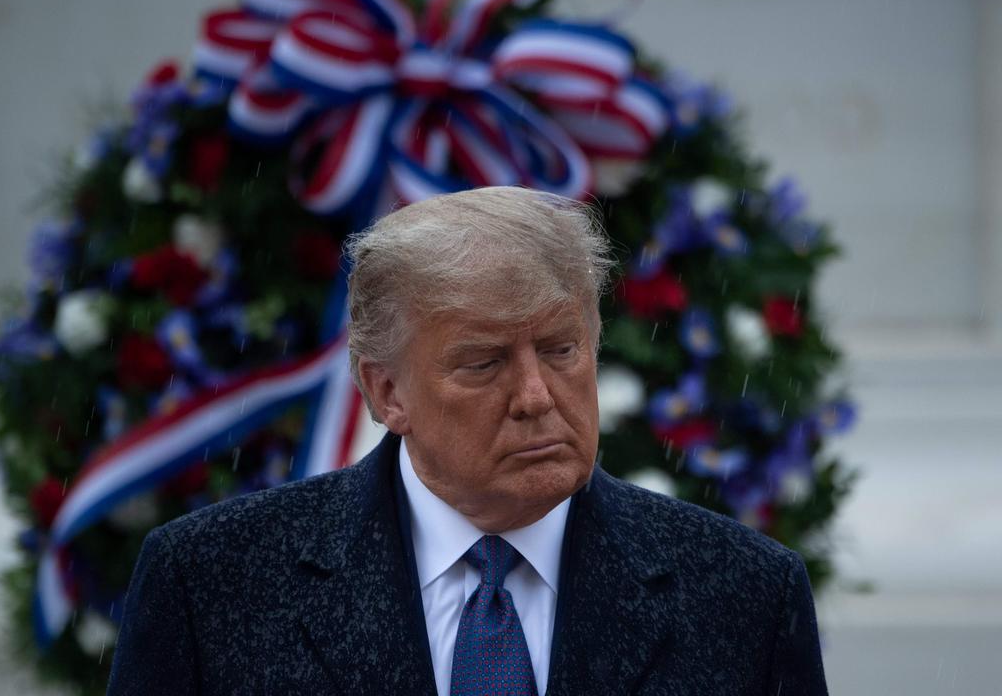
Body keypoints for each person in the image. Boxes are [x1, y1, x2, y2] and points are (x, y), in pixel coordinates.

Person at [107, 186, 829, 695]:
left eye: (560, 350)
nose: (536, 398)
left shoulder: (746, 594)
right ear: (388, 392)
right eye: (484, 363)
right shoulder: (210, 584)